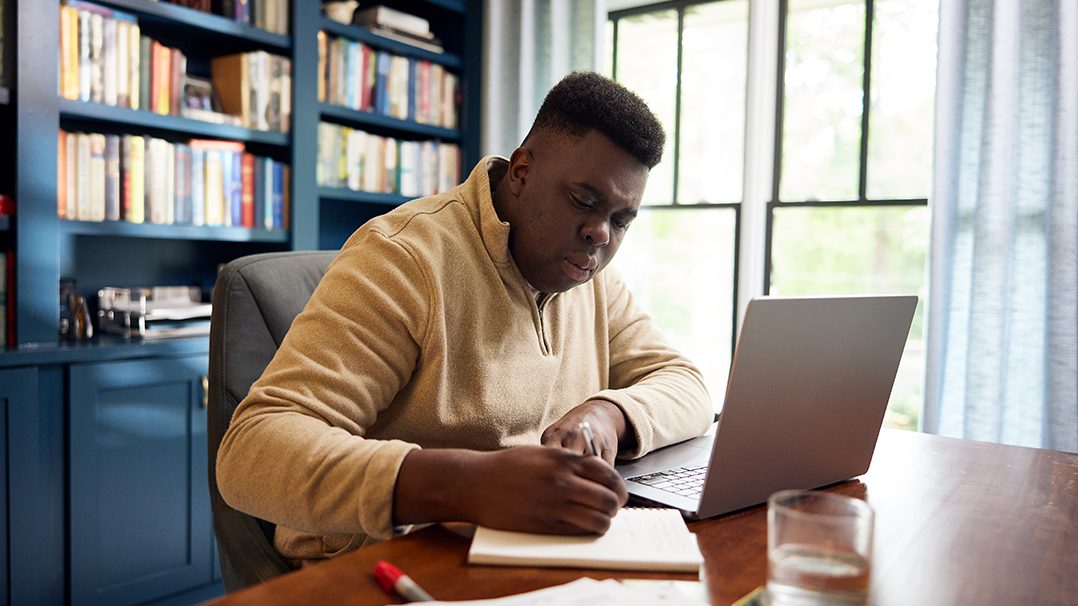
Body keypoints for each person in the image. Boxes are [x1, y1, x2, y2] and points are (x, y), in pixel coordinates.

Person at [216, 71, 713, 566]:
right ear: (521, 172)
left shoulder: (590, 275)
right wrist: (463, 484)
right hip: (386, 566)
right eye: (584, 201)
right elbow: (252, 450)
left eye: (621, 220)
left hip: (527, 553)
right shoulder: (404, 260)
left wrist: (609, 414)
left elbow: (686, 385)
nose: (601, 234)